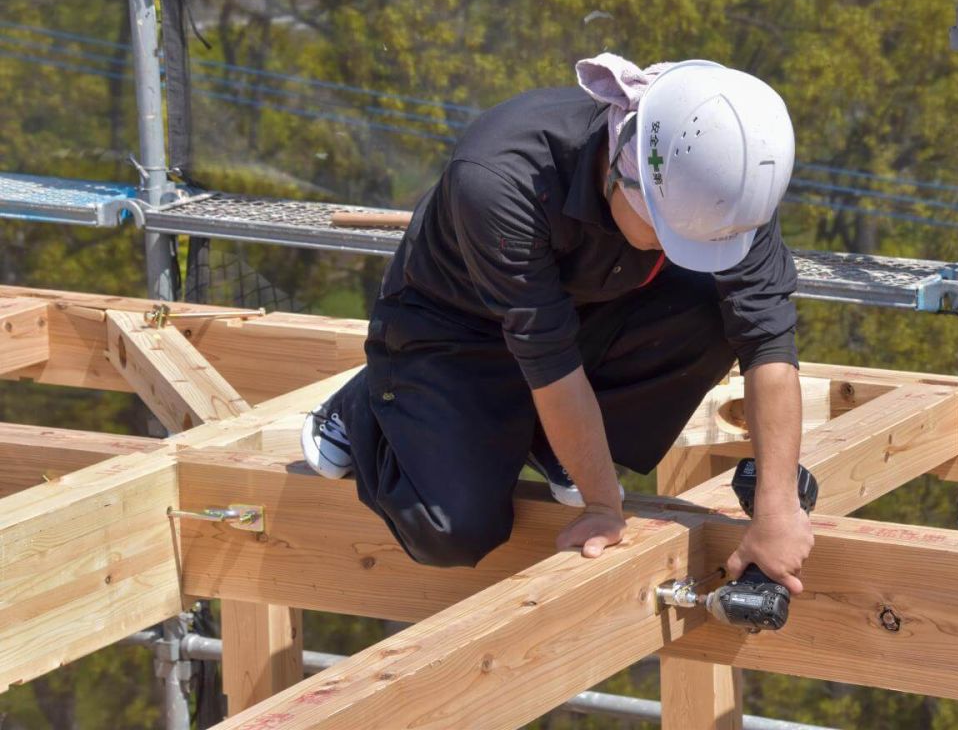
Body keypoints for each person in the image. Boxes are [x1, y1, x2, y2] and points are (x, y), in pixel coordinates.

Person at [301, 54, 814, 594]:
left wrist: (777, 510)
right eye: (666, 233)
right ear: (621, 168)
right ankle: (370, 406)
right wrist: (602, 504)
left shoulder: (725, 176)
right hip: (453, 330)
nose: (680, 250)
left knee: (710, 310)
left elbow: (768, 341)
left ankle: (549, 445)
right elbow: (552, 365)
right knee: (454, 528)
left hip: (581, 308)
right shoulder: (502, 178)